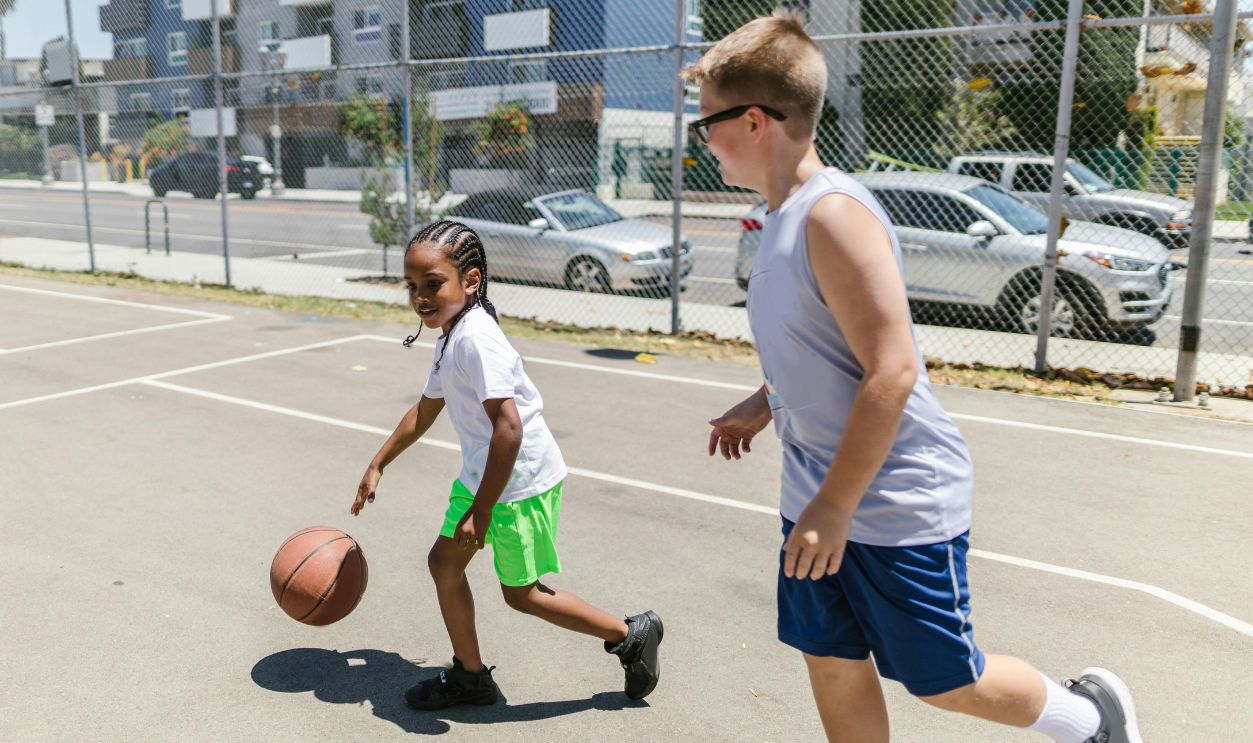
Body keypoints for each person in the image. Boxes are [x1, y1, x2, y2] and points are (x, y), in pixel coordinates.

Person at [696, 11, 1139, 742]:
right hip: (816, 494)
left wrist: (835, 506)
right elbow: (818, 350)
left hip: (891, 499)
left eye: (704, 123)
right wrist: (762, 400)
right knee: (830, 656)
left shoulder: (830, 216)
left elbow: (892, 369)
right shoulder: (775, 218)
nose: (701, 140)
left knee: (944, 679)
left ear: (752, 121)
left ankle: (1091, 719)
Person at [352, 219, 663, 710]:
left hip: (516, 482)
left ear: (471, 280)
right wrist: (378, 463)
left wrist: (482, 509)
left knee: (521, 595)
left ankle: (630, 634)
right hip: (485, 474)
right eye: (413, 287)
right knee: (444, 563)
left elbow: (510, 428)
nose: (421, 298)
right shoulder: (451, 333)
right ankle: (471, 677)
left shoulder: (476, 338)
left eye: (433, 284)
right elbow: (425, 409)